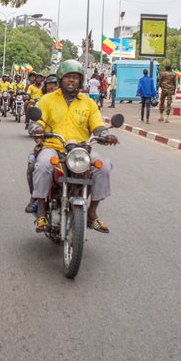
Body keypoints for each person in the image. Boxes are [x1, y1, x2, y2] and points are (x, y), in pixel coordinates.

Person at [30, 61, 118, 233]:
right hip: (54, 146)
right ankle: (41, 210)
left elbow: (97, 125)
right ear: (61, 79)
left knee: (104, 166)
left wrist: (105, 135)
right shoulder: (47, 100)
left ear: (81, 80)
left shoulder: (88, 103)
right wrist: (36, 128)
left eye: (75, 78)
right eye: (68, 77)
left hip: (80, 150)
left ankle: (92, 212)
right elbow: (38, 121)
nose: (71, 81)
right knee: (42, 165)